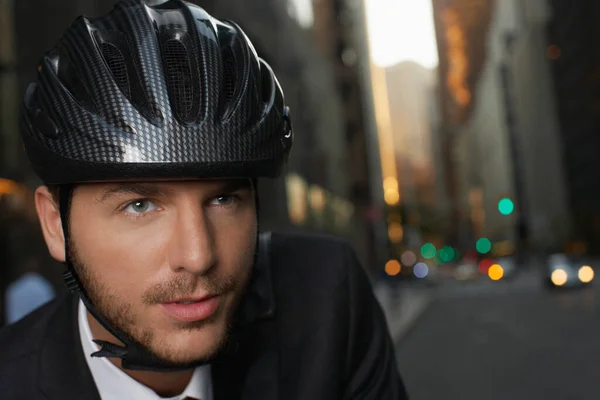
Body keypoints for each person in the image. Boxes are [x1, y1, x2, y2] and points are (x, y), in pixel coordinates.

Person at [0, 1, 408, 399]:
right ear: (55, 224)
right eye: (139, 206)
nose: (198, 256)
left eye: (224, 199)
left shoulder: (325, 297)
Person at [4, 255, 56, 324]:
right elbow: (51, 311)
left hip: (17, 329)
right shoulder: (44, 286)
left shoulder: (13, 288)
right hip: (39, 328)